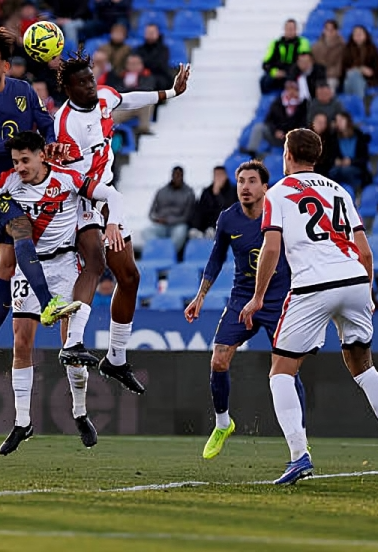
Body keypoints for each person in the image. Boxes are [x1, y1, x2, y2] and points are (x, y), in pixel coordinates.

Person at [239, 128, 378, 485]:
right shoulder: (340, 191)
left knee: (281, 371)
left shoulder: (276, 193)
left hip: (314, 284)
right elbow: (365, 251)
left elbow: (271, 249)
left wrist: (258, 296)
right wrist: (366, 293)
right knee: (364, 367)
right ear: (316, 157)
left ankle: (298, 455)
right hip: (354, 280)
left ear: (287, 153)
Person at [0, 131, 127, 453]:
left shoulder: (67, 179)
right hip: (29, 267)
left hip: (65, 266)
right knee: (21, 342)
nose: (20, 167)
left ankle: (79, 412)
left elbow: (112, 194)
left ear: (41, 156)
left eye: (25, 160)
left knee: (70, 347)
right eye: (15, 161)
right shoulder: (9, 180)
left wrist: (114, 222)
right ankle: (22, 422)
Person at [51, 50, 188, 381]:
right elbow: (71, 178)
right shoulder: (66, 124)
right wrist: (104, 216)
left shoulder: (104, 98)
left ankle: (115, 358)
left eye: (91, 78)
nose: (90, 86)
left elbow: (126, 99)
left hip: (108, 195)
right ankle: (74, 345)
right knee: (94, 267)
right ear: (68, 88)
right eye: (81, 82)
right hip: (81, 200)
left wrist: (170, 92)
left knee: (129, 277)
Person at [0, 27, 81, 384]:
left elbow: (47, 124)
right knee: (21, 228)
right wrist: (31, 148)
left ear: (6, 68)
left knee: (7, 268)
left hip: (25, 176)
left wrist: (53, 144)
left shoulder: (24, 91)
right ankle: (47, 305)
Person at [184, 161, 304, 460]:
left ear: (266, 187)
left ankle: (299, 439)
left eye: (252, 181)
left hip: (279, 299)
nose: (245, 187)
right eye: (240, 181)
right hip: (241, 298)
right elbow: (215, 260)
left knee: (286, 369)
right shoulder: (228, 219)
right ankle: (223, 423)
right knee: (219, 359)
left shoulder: (282, 215)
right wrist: (199, 297)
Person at [145, 166, 196, 253]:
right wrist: (157, 219)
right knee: (146, 232)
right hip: (161, 224)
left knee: (180, 233)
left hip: (178, 224)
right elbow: (151, 213)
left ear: (183, 176)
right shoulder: (161, 191)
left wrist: (169, 221)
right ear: (171, 175)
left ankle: (168, 254)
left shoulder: (189, 192)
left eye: (179, 175)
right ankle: (158, 252)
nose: (177, 177)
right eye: (175, 175)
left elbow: (187, 216)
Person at [260, 19, 310, 94]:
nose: (290, 31)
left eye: (292, 29)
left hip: (293, 74)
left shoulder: (302, 42)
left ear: (296, 30)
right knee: (264, 81)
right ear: (284, 29)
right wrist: (274, 72)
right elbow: (266, 63)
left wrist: (286, 72)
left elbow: (303, 62)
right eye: (288, 28)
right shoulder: (275, 43)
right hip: (277, 74)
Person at [191, 166, 238, 238]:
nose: (218, 178)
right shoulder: (207, 191)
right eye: (216, 175)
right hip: (208, 226)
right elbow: (200, 210)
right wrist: (196, 227)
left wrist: (218, 195)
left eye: (220, 175)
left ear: (225, 176)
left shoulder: (233, 191)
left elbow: (227, 208)